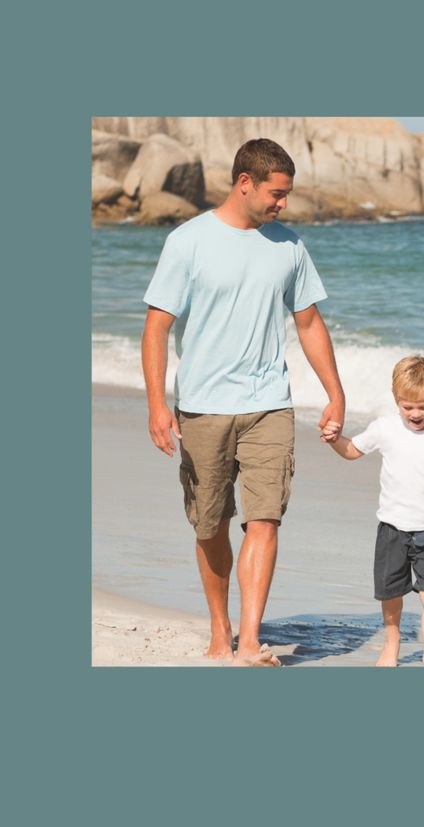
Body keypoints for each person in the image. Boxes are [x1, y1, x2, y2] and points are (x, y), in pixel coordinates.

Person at [141, 138, 345, 666]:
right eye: (277, 194)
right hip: (203, 405)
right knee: (210, 524)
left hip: (269, 404)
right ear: (245, 183)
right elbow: (157, 327)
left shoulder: (290, 246)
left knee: (264, 518)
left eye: (288, 195)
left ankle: (250, 639)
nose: (284, 204)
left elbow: (308, 322)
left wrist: (335, 393)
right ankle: (220, 626)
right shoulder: (188, 242)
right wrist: (156, 405)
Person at [321, 356, 424, 667]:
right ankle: (392, 641)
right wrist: (334, 439)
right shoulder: (384, 428)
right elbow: (351, 451)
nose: (416, 414)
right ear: (395, 399)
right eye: (408, 406)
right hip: (392, 528)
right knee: (390, 594)